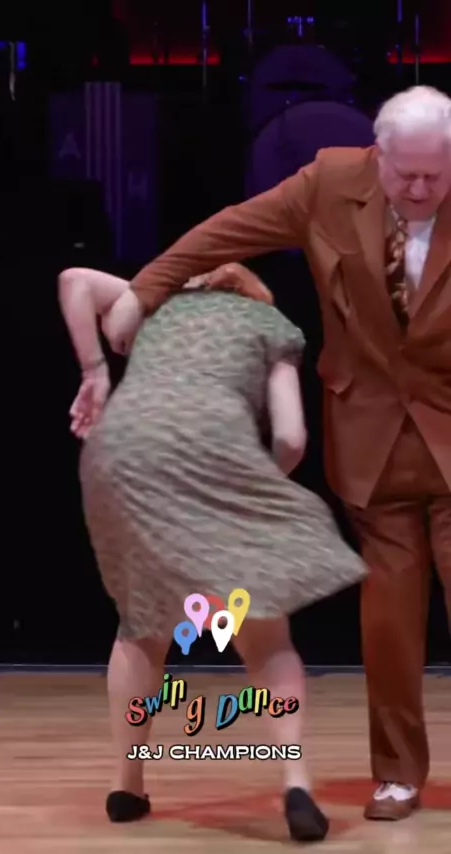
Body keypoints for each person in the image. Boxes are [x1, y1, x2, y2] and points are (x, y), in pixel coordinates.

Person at [100, 85, 451, 822]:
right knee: (389, 621)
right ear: (378, 155)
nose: (421, 191)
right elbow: (225, 232)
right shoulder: (328, 183)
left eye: (436, 175)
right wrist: (144, 290)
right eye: (407, 175)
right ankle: (396, 775)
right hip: (374, 439)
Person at [58, 266, 366, 843]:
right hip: (216, 452)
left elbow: (74, 280)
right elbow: (292, 437)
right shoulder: (271, 324)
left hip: (121, 452)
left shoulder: (158, 306)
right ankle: (296, 783)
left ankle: (127, 786)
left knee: (142, 626)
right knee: (265, 634)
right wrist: (249, 493)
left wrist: (95, 372)